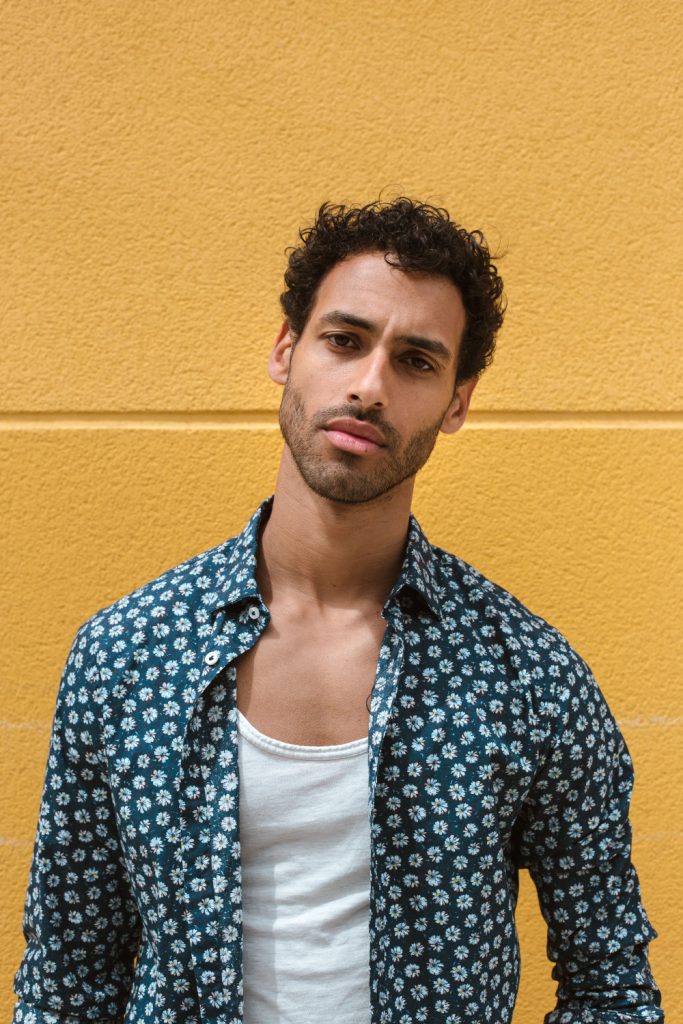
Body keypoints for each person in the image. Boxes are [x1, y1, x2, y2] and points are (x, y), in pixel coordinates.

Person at [12, 198, 663, 1024]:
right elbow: (66, 979)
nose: (368, 386)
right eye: (344, 341)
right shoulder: (128, 652)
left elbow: (610, 989)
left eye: (416, 362)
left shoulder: (526, 675)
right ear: (287, 349)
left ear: (457, 402)